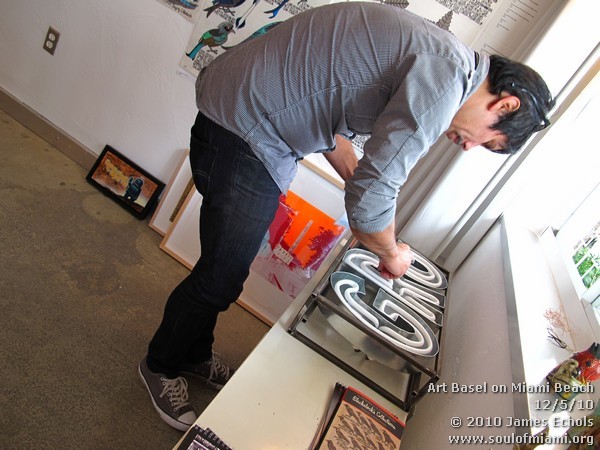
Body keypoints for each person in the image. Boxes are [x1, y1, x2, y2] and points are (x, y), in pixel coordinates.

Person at [139, 2, 554, 431]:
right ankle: (160, 364)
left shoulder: (445, 56)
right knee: (221, 276)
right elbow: (371, 200)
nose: (468, 147)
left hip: (243, 110)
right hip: (244, 124)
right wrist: (391, 253)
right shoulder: (446, 81)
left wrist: (375, 215)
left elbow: (333, 123)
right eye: (487, 142)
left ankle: (192, 354)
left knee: (225, 268)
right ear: (505, 105)